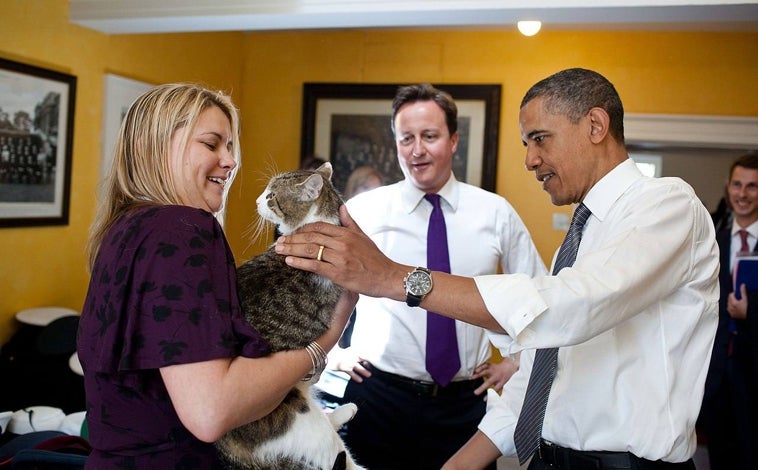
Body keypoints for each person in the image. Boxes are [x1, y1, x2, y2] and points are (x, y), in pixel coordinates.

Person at [275, 68, 719, 469]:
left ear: (596, 126)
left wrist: (396, 278)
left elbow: (565, 310)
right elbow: (548, 367)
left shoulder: (667, 206)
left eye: (539, 139)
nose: (528, 160)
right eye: (526, 144)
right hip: (436, 419)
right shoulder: (585, 232)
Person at [76, 83, 355, 468]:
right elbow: (211, 413)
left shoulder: (124, 230)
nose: (230, 161)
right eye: (212, 144)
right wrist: (323, 342)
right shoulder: (184, 228)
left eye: (230, 147)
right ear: (156, 148)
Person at [321, 84, 547, 470]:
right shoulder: (363, 211)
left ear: (454, 139)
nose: (417, 150)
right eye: (406, 138)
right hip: (379, 399)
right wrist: (330, 355)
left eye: (429, 136)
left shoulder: (495, 213)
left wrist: (518, 361)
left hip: (463, 406)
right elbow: (313, 289)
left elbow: (539, 296)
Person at [701, 153, 758, 470]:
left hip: (753, 371)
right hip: (718, 374)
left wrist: (752, 311)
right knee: (720, 458)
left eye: (752, 186)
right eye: (737, 184)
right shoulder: (712, 240)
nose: (743, 193)